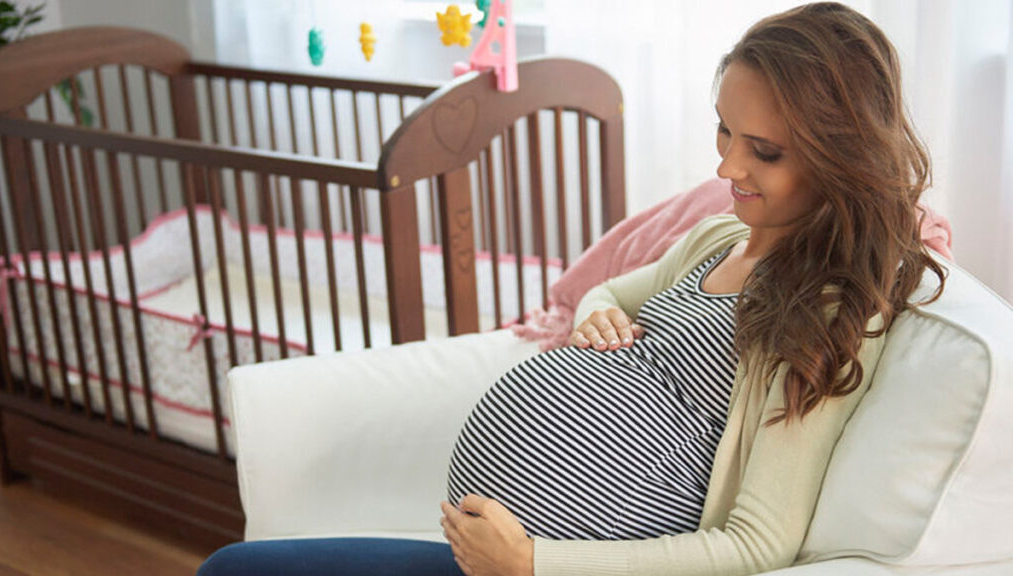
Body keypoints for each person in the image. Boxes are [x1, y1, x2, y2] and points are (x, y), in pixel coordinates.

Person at [197, 3, 945, 575]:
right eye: (725, 133)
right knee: (232, 567)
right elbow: (610, 293)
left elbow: (757, 542)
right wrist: (595, 318)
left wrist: (534, 562)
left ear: (839, 155)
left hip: (550, 568)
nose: (727, 169)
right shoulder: (719, 238)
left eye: (765, 152)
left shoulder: (827, 312)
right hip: (488, 555)